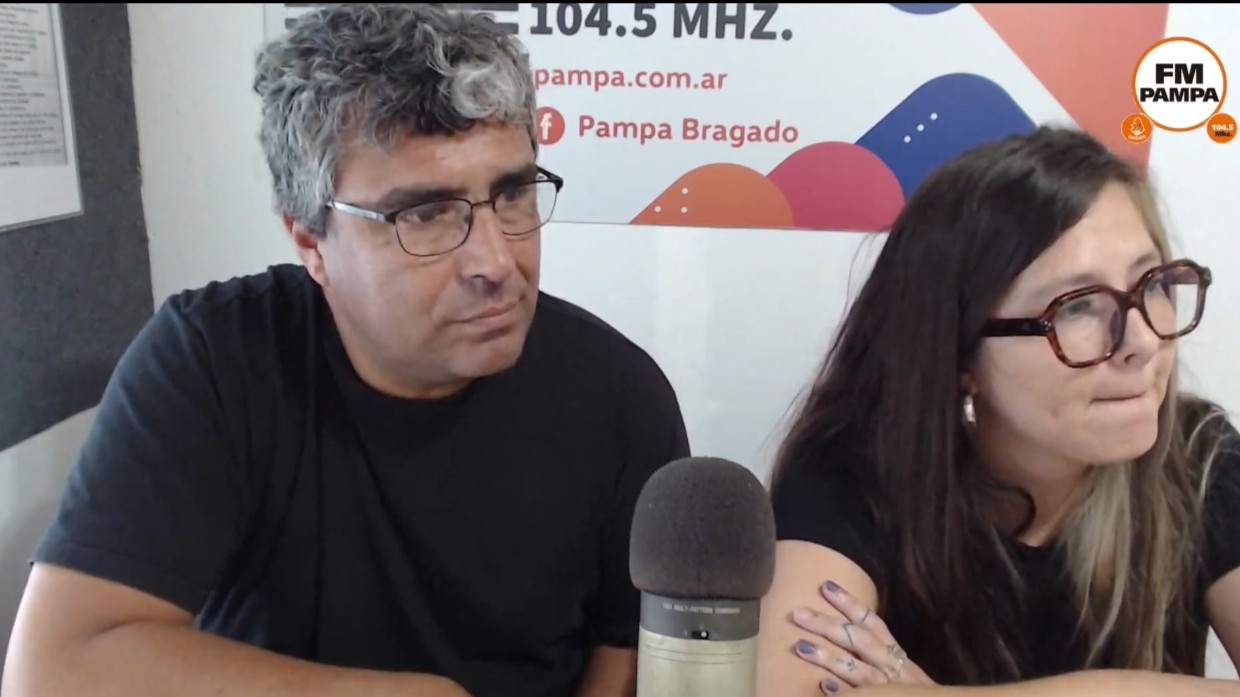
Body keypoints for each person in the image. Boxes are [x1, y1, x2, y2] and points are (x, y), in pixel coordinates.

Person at [2, 5, 689, 697]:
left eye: (512, 195)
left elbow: (622, 650)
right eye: (425, 213)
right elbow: (54, 671)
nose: (496, 262)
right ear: (311, 242)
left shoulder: (619, 395)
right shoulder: (212, 362)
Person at [755, 126, 1240, 696]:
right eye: (1078, 306)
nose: (1143, 341)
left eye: (1152, 284)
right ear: (960, 353)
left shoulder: (1199, 456)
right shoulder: (856, 471)